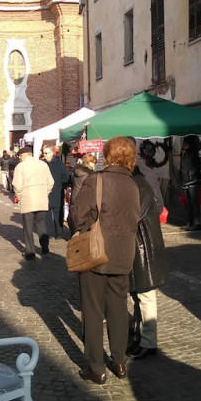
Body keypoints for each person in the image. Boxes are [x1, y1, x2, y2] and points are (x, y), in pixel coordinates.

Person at [72, 136, 141, 384]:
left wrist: (85, 225)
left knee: (92, 310)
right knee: (118, 308)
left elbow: (77, 215)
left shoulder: (96, 180)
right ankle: (120, 361)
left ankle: (97, 367)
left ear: (107, 155)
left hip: (96, 252)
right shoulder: (133, 185)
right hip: (124, 253)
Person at [128, 165, 168, 359]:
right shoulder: (137, 180)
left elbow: (134, 215)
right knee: (138, 294)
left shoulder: (139, 183)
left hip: (144, 245)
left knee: (146, 295)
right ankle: (142, 337)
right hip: (139, 244)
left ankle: (148, 342)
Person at [12, 146, 54, 259]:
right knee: (41, 224)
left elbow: (17, 185)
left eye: (20, 156)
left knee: (28, 228)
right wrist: (45, 193)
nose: (20, 159)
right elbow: (51, 182)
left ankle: (30, 252)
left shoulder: (20, 167)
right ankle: (45, 248)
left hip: (27, 200)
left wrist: (20, 197)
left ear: (23, 156)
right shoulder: (43, 164)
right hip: (41, 199)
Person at [42, 145, 69, 238]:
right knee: (47, 214)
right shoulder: (42, 164)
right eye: (43, 152)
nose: (44, 155)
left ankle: (59, 232)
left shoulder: (59, 163)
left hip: (57, 191)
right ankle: (49, 232)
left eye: (46, 153)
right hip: (45, 193)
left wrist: (62, 186)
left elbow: (65, 176)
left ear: (52, 153)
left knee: (58, 213)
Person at [68, 153, 96, 234]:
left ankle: (73, 234)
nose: (94, 165)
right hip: (83, 198)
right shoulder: (90, 175)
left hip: (74, 196)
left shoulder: (75, 171)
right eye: (93, 162)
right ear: (89, 162)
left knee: (74, 216)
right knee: (83, 218)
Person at [179, 135, 201, 231]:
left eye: (185, 143)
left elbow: (198, 166)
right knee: (189, 203)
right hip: (186, 181)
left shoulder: (193, 154)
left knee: (194, 202)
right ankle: (190, 222)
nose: (183, 145)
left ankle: (197, 223)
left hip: (193, 181)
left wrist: (191, 173)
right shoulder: (184, 154)